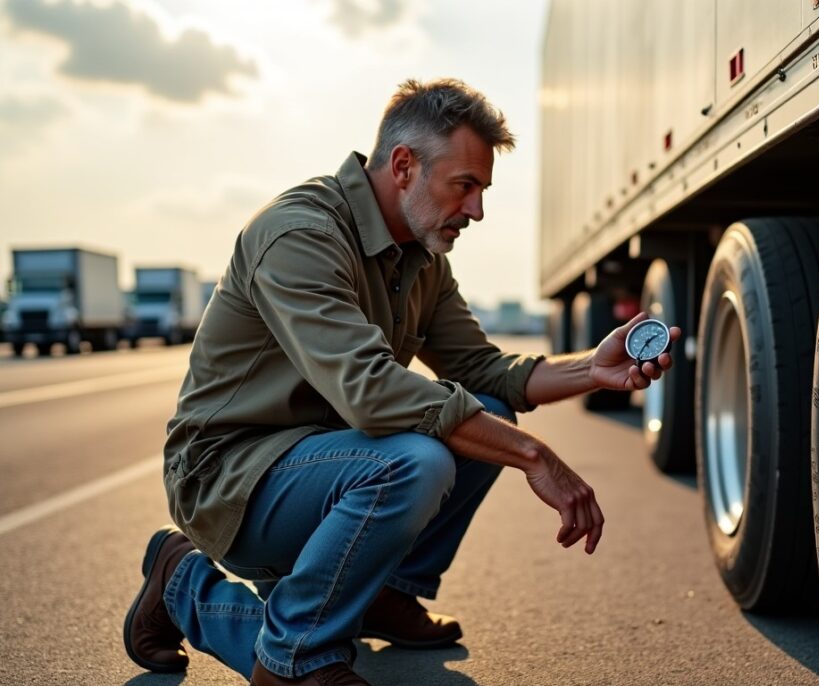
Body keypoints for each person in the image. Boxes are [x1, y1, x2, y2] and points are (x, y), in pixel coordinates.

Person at [122, 78, 680, 686]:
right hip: (230, 479)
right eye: (464, 186)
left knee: (488, 409)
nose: (477, 211)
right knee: (415, 460)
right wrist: (535, 458)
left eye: (483, 191)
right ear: (405, 165)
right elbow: (371, 390)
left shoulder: (422, 258)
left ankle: (380, 594)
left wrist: (590, 370)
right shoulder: (301, 234)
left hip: (322, 467)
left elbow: (482, 372)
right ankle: (232, 616)